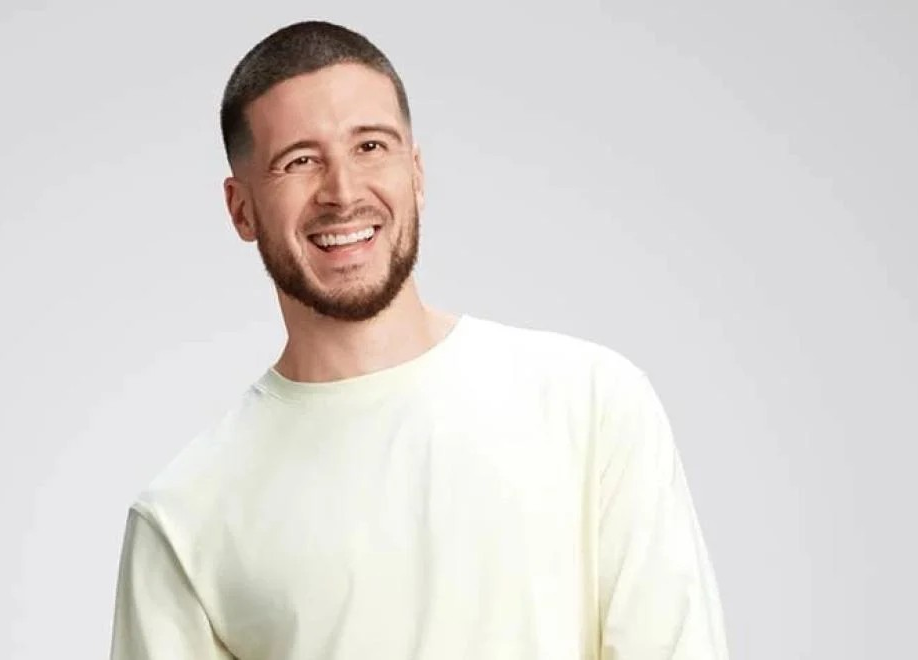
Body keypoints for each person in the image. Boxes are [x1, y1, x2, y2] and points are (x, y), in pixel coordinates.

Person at [108, 20, 729, 660]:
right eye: (300, 161)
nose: (343, 192)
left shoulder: (592, 403)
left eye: (370, 146)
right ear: (242, 209)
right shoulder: (184, 518)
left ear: (417, 172)